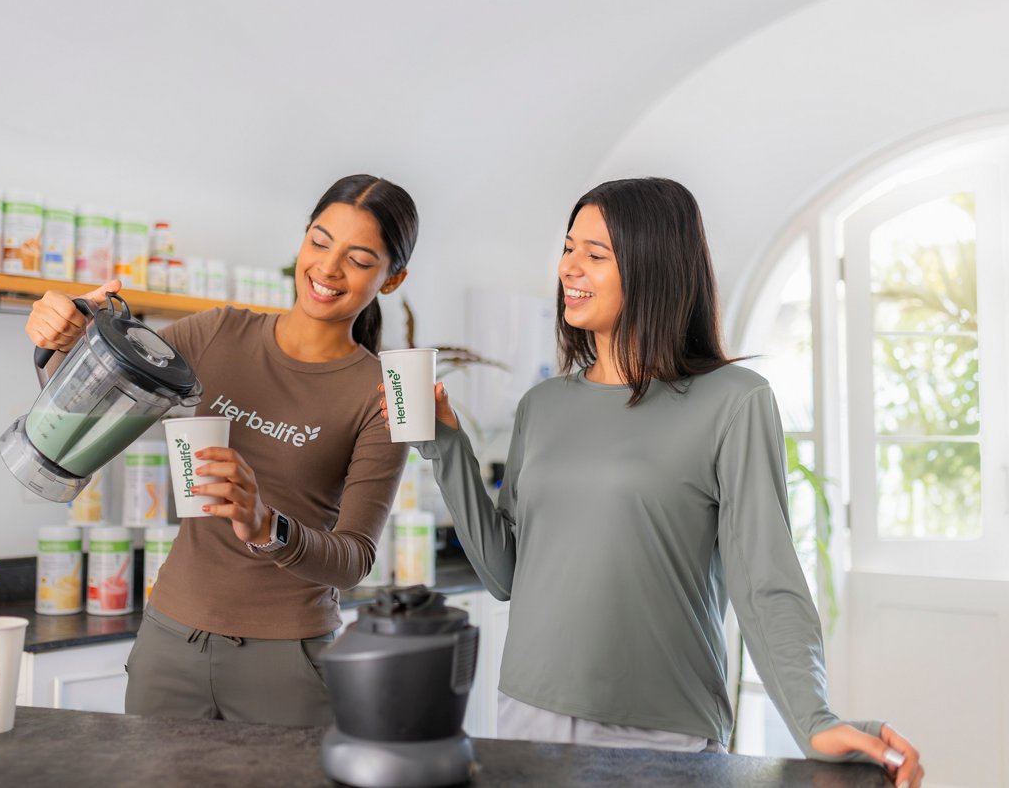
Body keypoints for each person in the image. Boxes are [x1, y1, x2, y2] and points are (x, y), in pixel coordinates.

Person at [386, 178, 923, 787]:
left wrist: (812, 718)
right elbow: (507, 574)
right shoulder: (543, 405)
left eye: (595, 254)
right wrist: (446, 446)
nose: (570, 268)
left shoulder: (734, 401)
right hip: (526, 712)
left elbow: (765, 580)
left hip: (660, 731)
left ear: (653, 268)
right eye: (568, 248)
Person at [27, 174, 417, 727]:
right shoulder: (219, 333)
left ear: (393, 278)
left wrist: (267, 527)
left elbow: (355, 559)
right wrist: (65, 340)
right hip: (169, 644)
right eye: (320, 241)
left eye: (358, 258)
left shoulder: (382, 395)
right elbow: (86, 408)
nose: (328, 269)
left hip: (290, 665)